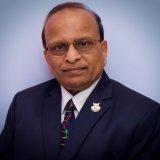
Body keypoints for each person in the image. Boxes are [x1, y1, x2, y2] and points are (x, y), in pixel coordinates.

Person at [0, 2, 160, 160]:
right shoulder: (22, 104)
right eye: (59, 47)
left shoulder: (144, 115)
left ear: (103, 51)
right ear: (47, 59)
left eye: (83, 43)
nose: (71, 57)